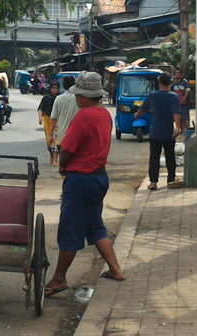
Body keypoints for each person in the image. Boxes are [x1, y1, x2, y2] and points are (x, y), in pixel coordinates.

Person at [44, 71, 125, 298]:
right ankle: (115, 269)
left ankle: (59, 278)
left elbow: (66, 150)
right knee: (93, 225)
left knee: (70, 228)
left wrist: (62, 167)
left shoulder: (84, 116)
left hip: (81, 179)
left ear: (82, 95)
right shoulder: (104, 114)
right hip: (99, 177)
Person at [134, 72, 182, 191]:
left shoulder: (152, 96)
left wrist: (136, 115)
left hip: (155, 132)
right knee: (170, 156)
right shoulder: (174, 97)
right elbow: (177, 113)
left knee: (154, 157)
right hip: (168, 133)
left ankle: (153, 182)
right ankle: (171, 179)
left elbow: (143, 109)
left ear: (159, 83)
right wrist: (178, 127)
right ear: (170, 84)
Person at [47, 75, 79, 152]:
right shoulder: (79, 99)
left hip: (62, 136)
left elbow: (53, 119)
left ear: (63, 86)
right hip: (77, 137)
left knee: (64, 161)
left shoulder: (58, 99)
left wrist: (50, 135)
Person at [38, 82, 60, 165]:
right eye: (53, 88)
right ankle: (51, 155)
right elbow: (41, 109)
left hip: (57, 120)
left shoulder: (59, 98)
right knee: (48, 139)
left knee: (55, 139)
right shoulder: (45, 98)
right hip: (47, 119)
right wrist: (40, 118)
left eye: (56, 88)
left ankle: (55, 159)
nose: (54, 90)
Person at [171, 68, 191, 133]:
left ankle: (183, 131)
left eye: (178, 73)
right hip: (176, 103)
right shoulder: (173, 83)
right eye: (176, 73)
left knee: (183, 118)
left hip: (184, 103)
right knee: (177, 117)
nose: (177, 74)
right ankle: (178, 130)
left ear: (181, 74)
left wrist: (184, 98)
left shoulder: (184, 82)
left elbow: (187, 91)